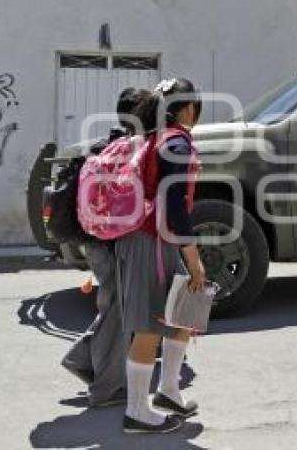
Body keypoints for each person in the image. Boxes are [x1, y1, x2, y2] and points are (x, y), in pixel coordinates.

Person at [116, 77, 206, 434]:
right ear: (188, 107)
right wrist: (194, 258)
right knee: (151, 325)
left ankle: (168, 391)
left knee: (181, 314)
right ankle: (136, 411)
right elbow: (174, 204)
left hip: (153, 238)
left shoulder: (158, 137)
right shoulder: (176, 142)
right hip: (153, 240)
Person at [61, 87, 151, 407]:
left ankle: (82, 357)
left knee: (113, 307)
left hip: (94, 240)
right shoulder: (133, 149)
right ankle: (106, 388)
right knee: (117, 312)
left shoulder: (103, 145)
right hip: (115, 243)